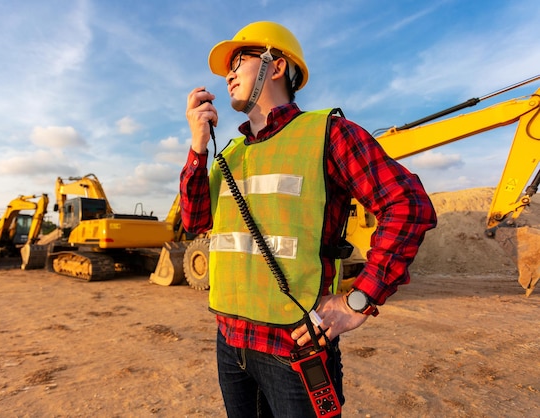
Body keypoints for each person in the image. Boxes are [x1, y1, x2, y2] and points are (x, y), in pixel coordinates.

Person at [180, 21, 437, 417]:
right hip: (230, 343)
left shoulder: (329, 134)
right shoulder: (227, 153)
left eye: (240, 60)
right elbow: (195, 220)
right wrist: (198, 146)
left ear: (276, 66)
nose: (228, 73)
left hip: (294, 348)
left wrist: (358, 300)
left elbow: (408, 205)